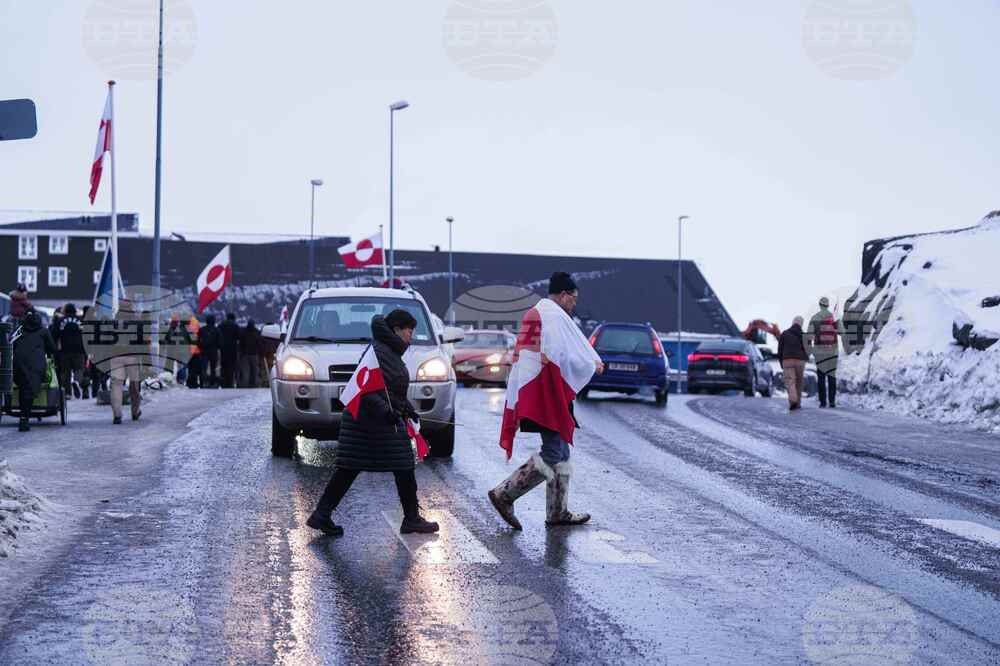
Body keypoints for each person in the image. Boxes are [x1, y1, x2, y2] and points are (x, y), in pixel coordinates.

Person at [307, 310, 440, 537]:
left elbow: (392, 390)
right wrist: (387, 412)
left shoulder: (388, 351)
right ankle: (411, 519)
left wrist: (408, 410)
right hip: (369, 422)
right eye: (409, 330)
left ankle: (322, 514)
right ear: (396, 329)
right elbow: (365, 389)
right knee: (396, 466)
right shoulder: (378, 352)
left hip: (375, 421)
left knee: (358, 468)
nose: (411, 335)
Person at [488, 272, 605, 530]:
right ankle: (505, 494)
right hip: (545, 394)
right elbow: (556, 355)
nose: (574, 304)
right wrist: (589, 365)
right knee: (553, 452)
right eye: (573, 299)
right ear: (563, 295)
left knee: (561, 451)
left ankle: (557, 511)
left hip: (540, 391)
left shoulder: (539, 311)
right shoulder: (552, 316)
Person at [11, 310, 56, 432]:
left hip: (19, 363)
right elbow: (52, 348)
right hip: (36, 365)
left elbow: (11, 344)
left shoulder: (19, 331)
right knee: (30, 390)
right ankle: (24, 418)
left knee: (23, 388)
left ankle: (23, 417)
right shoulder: (44, 331)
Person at [806, 296, 845, 409]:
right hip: (832, 352)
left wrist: (811, 350)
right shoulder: (834, 317)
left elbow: (809, 335)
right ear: (827, 305)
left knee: (821, 377)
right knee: (831, 376)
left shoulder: (815, 318)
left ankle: (823, 402)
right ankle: (832, 401)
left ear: (820, 305)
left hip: (820, 352)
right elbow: (842, 333)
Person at [110, 299, 142, 424]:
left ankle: (117, 415)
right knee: (134, 386)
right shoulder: (137, 322)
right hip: (133, 356)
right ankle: (135, 411)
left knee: (116, 385)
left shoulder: (113, 322)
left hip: (116, 356)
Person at [53, 303, 89, 400]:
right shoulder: (81, 320)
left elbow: (55, 335)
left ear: (65, 311)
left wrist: (55, 348)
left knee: (65, 372)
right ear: (74, 310)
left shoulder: (60, 321)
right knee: (79, 369)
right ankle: (77, 382)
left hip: (65, 349)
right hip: (79, 349)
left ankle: (68, 393)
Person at [777, 316, 809, 411]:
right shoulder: (804, 335)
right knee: (799, 382)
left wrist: (781, 362)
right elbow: (808, 349)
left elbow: (780, 350)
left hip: (787, 360)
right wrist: (805, 358)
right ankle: (797, 403)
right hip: (800, 361)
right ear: (801, 324)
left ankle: (793, 400)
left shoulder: (785, 333)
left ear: (793, 322)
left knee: (790, 382)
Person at [218, 312, 240, 388]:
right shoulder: (235, 326)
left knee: (223, 366)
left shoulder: (221, 325)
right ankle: (230, 383)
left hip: (223, 349)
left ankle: (223, 383)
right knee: (231, 367)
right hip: (233, 349)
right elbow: (239, 336)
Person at [198, 314, 220, 388]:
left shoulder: (201, 329)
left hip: (204, 351)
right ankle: (212, 383)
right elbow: (220, 342)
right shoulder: (217, 330)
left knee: (203, 368)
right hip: (213, 352)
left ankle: (203, 383)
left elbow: (197, 341)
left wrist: (201, 347)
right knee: (213, 368)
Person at [239, 319, 260, 387]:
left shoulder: (243, 331)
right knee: (255, 371)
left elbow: (241, 343)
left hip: (245, 354)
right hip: (254, 354)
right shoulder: (257, 332)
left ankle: (245, 385)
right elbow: (259, 343)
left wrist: (241, 352)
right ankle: (254, 384)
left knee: (245, 371)